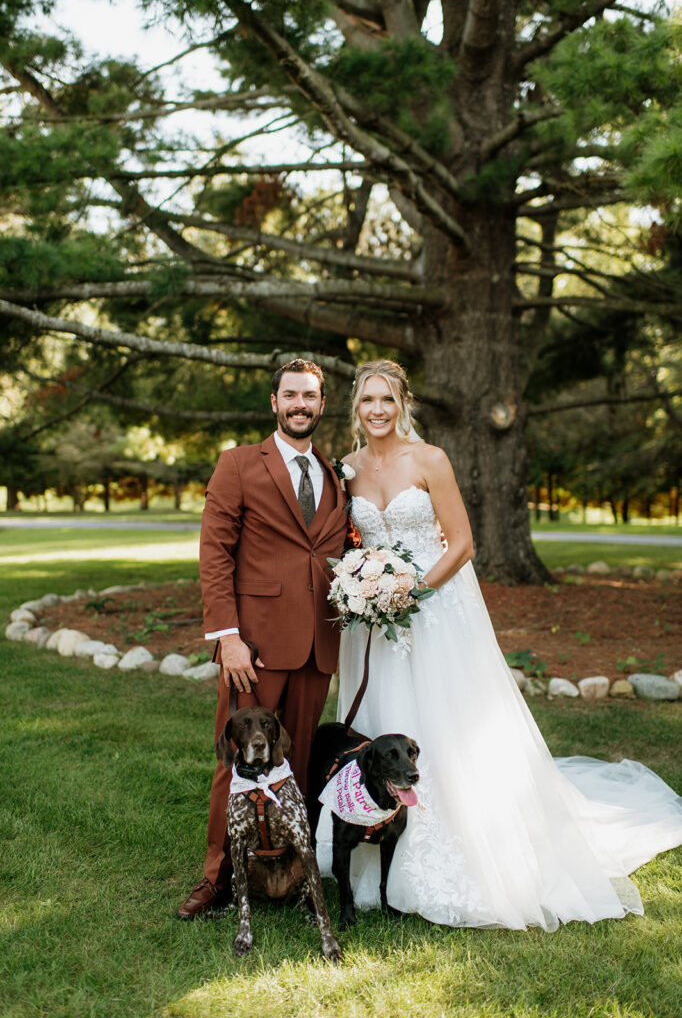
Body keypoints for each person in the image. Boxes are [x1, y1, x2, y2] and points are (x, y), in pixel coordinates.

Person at [316, 359, 682, 930]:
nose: (378, 410)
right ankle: (374, 842)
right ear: (356, 408)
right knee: (385, 721)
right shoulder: (347, 468)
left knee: (447, 724)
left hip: (436, 614)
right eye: (367, 401)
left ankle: (466, 853)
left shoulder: (431, 459)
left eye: (387, 400)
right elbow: (350, 539)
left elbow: (461, 543)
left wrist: (412, 590)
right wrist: (363, 585)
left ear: (403, 403)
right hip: (377, 624)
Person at [177, 358, 349, 919]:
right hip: (253, 648)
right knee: (236, 763)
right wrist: (227, 635)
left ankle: (284, 872)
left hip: (317, 646)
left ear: (322, 406)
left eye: (311, 396)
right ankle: (219, 878)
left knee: (292, 767)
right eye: (291, 395)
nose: (301, 404)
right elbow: (214, 553)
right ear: (274, 402)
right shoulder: (239, 465)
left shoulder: (336, 473)